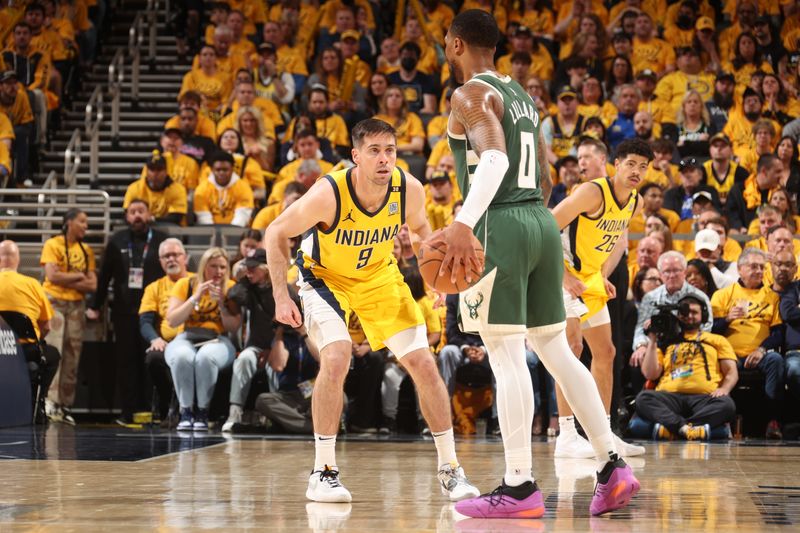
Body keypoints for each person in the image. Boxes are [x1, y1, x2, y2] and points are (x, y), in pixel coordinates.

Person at [438, 10, 638, 519]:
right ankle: (612, 465)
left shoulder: (469, 93)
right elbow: (545, 175)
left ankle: (519, 485)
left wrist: (465, 222)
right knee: (555, 350)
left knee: (506, 356)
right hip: (540, 221)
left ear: (456, 44)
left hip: (500, 223)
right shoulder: (522, 95)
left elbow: (496, 163)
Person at [264, 118, 480, 504]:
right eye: (375, 151)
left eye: (391, 150)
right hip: (325, 278)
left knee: (424, 364)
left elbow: (420, 233)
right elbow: (276, 232)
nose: (384, 159)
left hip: (379, 277)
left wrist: (436, 282)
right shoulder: (329, 192)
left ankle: (450, 470)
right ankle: (324, 471)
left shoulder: (408, 188)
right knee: (336, 355)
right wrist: (282, 296)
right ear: (356, 156)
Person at [550, 138, 652, 459]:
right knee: (571, 348)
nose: (637, 172)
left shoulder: (634, 200)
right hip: (562, 270)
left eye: (643, 167)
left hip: (591, 277)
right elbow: (547, 226)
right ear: (616, 163)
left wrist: (603, 275)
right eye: (631, 164)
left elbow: (612, 241)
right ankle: (566, 435)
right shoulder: (592, 192)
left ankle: (603, 434)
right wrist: (563, 276)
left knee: (605, 352)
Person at [86, 200, 167, 425]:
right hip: (124, 312)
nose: (137, 216)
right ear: (126, 216)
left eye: (141, 211)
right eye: (132, 212)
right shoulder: (117, 240)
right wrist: (95, 305)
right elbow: (104, 277)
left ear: (150, 214)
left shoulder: (161, 239)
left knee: (152, 360)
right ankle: (128, 411)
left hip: (153, 313)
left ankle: (156, 411)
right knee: (126, 362)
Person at [636, 295, 738, 440]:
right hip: (670, 397)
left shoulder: (716, 340)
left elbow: (731, 372)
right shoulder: (667, 342)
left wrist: (724, 389)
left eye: (694, 312)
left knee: (726, 404)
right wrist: (652, 340)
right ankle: (690, 429)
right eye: (685, 313)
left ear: (703, 315)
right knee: (643, 398)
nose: (689, 316)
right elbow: (650, 374)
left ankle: (676, 428)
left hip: (704, 398)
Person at [710, 247, 785, 439]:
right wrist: (726, 319)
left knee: (775, 360)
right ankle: (721, 421)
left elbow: (778, 333)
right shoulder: (722, 295)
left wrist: (761, 350)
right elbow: (710, 330)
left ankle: (772, 420)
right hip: (729, 355)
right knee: (712, 360)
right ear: (740, 269)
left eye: (762, 267)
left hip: (759, 355)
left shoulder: (772, 297)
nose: (759, 271)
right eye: (753, 266)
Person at [165, 247, 241, 431]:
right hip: (187, 336)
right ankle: (185, 411)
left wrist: (222, 305)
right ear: (203, 267)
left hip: (218, 339)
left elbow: (234, 327)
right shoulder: (187, 283)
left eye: (223, 267)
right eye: (213, 266)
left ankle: (202, 411)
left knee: (205, 357)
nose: (219, 271)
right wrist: (194, 298)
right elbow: (172, 320)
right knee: (183, 356)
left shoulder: (231, 287)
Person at [40, 208, 97, 424]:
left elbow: (93, 284)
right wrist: (79, 276)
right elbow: (52, 276)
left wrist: (68, 278)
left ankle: (64, 404)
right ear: (69, 222)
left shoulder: (87, 250)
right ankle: (48, 402)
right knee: (54, 350)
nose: (85, 226)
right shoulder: (52, 244)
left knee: (73, 354)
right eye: (82, 221)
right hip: (54, 302)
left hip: (76, 306)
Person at [0, 240, 60, 417]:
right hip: (25, 352)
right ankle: (38, 403)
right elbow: (46, 326)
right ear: (18, 260)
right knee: (53, 354)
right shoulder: (33, 285)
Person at [221, 248, 277, 432]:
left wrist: (272, 350)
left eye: (253, 268)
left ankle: (276, 417)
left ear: (266, 269)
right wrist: (241, 278)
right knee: (243, 359)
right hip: (255, 345)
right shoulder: (250, 288)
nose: (249, 271)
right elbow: (233, 296)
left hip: (278, 344)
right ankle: (234, 412)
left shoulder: (280, 289)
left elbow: (289, 324)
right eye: (248, 268)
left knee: (275, 366)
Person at [138, 238, 192, 424]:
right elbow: (145, 322)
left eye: (175, 255)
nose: (171, 259)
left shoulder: (197, 281)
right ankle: (167, 406)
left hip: (194, 342)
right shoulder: (154, 288)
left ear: (185, 258)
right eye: (166, 256)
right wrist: (155, 340)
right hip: (168, 343)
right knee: (153, 358)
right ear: (160, 261)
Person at [631, 251, 713, 368]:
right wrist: (641, 346)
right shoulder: (650, 298)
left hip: (690, 346)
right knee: (638, 359)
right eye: (667, 271)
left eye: (676, 270)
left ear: (684, 272)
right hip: (657, 347)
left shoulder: (700, 297)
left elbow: (707, 327)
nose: (672, 275)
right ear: (660, 274)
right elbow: (640, 328)